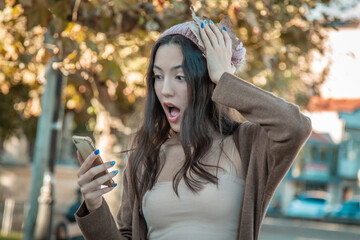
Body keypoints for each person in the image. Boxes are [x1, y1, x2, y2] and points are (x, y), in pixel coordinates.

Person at [74, 10, 312, 240]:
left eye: (180, 76)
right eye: (158, 76)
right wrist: (95, 205)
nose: (165, 90)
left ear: (207, 80)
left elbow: (295, 126)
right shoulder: (144, 159)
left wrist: (224, 78)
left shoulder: (247, 144)